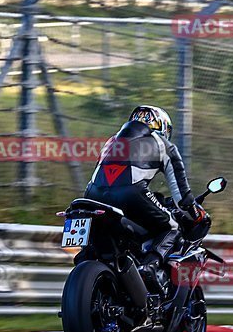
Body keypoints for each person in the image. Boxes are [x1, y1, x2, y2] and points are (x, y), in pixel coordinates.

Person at [84, 105, 206, 288]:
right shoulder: (163, 144)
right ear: (163, 127)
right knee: (172, 227)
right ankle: (150, 266)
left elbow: (100, 176)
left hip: (91, 196)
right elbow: (182, 198)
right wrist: (196, 213)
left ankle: (87, 257)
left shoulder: (112, 141)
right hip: (131, 194)